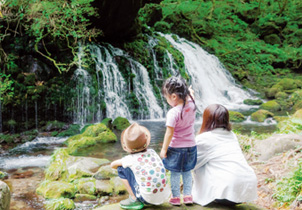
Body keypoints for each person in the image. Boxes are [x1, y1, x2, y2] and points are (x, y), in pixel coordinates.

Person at [192, 104, 258, 206]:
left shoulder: (204, 138)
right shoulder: (231, 135)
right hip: (246, 188)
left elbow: (191, 164)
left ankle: (203, 194)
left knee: (201, 164)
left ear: (206, 120)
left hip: (226, 192)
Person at [111, 123, 171, 210]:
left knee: (121, 168)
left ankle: (133, 198)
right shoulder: (152, 152)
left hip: (146, 199)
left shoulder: (130, 159)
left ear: (127, 146)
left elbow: (113, 165)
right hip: (164, 196)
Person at [160, 76, 197, 206]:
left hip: (176, 148)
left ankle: (175, 197)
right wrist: (189, 92)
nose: (167, 100)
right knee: (187, 171)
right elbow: (190, 95)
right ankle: (188, 196)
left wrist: (164, 150)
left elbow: (169, 133)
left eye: (167, 97)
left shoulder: (173, 113)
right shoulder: (192, 104)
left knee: (175, 173)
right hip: (191, 146)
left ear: (174, 96)